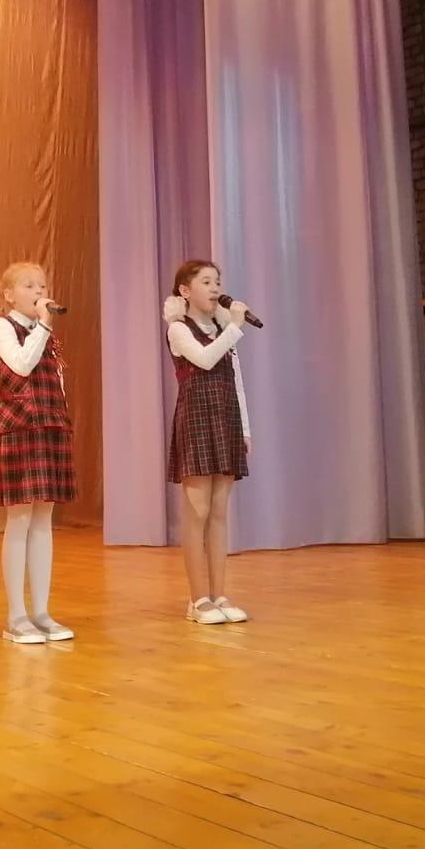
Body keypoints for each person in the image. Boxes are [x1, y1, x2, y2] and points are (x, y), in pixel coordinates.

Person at [0, 261, 77, 644]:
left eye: (42, 285)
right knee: (19, 519)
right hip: (20, 427)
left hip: (50, 426)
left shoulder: (44, 332)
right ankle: (16, 616)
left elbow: (56, 381)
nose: (39, 292)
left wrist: (62, 418)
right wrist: (44, 327)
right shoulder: (2, 327)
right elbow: (20, 365)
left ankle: (42, 612)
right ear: (8, 295)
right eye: (29, 285)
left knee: (43, 519)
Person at [164, 259, 252, 625]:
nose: (215, 288)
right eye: (206, 282)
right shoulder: (178, 329)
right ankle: (197, 599)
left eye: (217, 281)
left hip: (226, 419)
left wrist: (245, 428)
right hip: (197, 420)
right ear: (185, 290)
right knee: (197, 512)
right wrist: (234, 328)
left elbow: (236, 380)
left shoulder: (222, 328)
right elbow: (203, 359)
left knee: (218, 512)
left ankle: (219, 594)